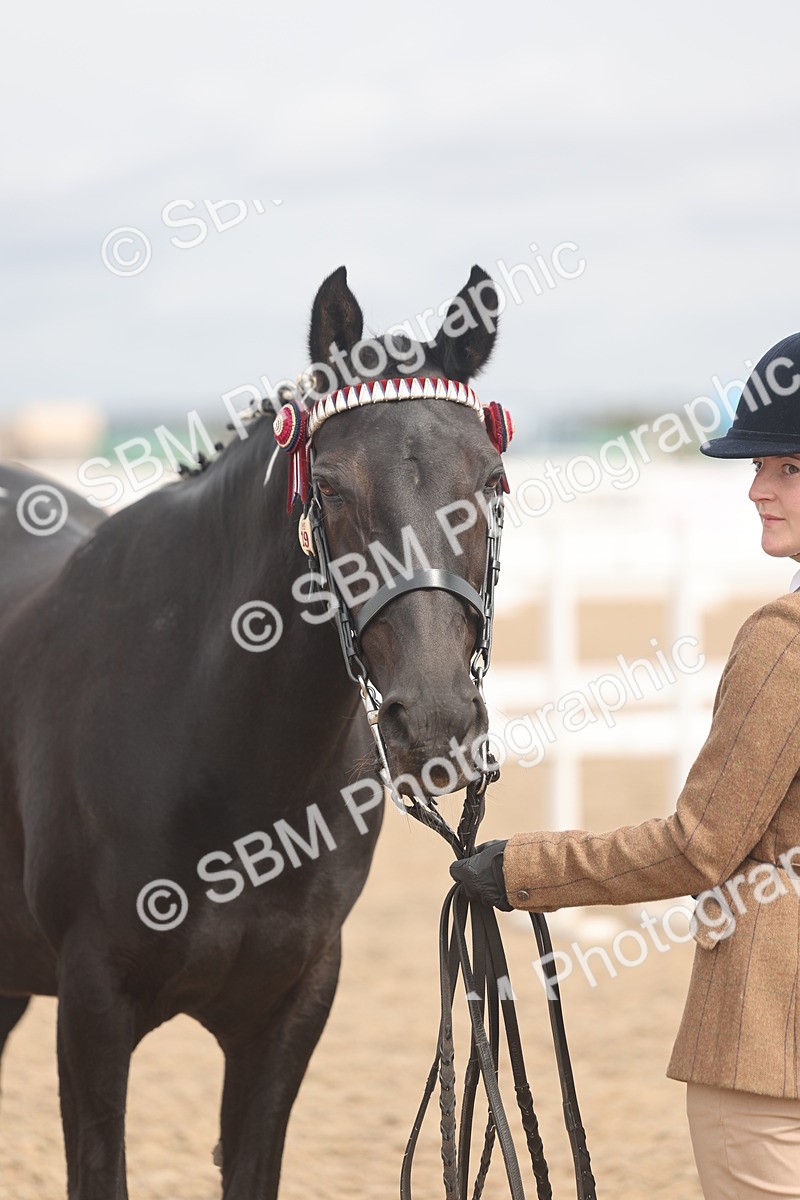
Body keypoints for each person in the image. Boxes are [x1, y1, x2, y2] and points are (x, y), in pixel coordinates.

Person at [451, 333, 800, 1200]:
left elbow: (699, 845)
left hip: (771, 1055)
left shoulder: (784, 642)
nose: (757, 487)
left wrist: (523, 870)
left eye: (787, 467)